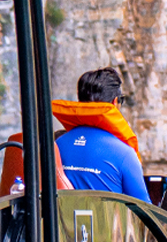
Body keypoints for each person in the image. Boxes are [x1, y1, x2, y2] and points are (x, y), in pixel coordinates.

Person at [49, 66, 149, 199]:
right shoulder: (125, 154)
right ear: (115, 102)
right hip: (105, 214)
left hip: (60, 213)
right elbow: (144, 207)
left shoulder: (56, 145)